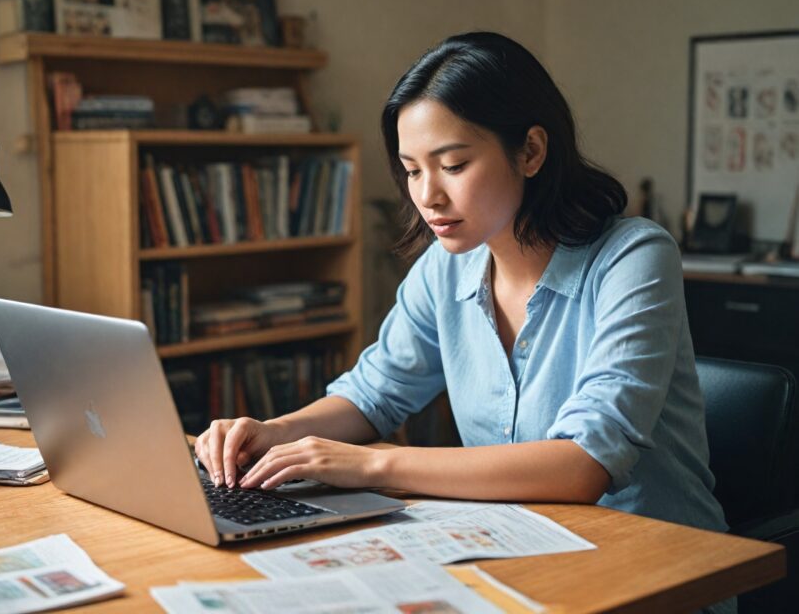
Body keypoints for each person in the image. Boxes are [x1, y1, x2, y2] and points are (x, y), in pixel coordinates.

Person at [194, 31, 728, 541]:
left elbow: (582, 464)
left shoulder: (634, 258)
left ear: (531, 152)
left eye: (453, 165)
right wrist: (272, 433)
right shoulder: (445, 267)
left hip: (660, 564)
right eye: (411, 170)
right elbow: (373, 396)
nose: (428, 196)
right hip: (519, 549)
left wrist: (374, 463)